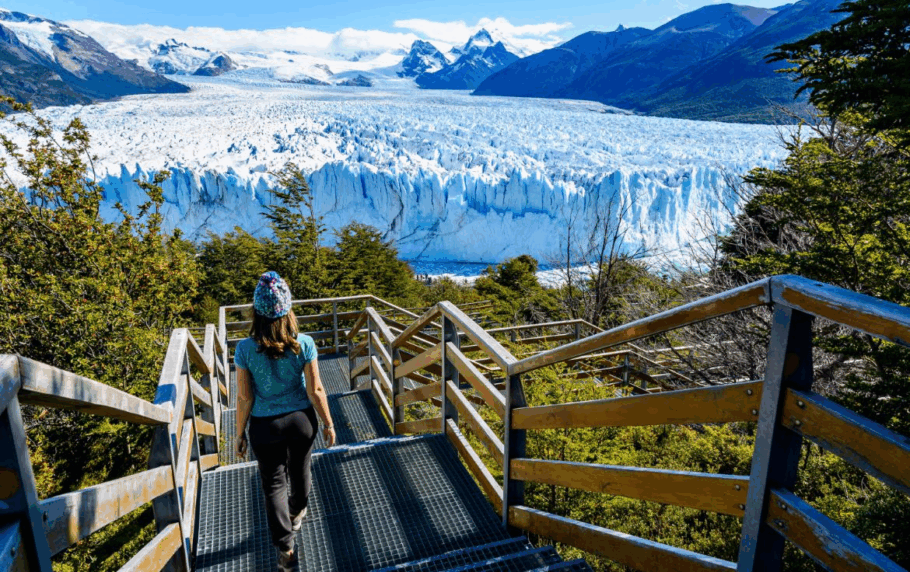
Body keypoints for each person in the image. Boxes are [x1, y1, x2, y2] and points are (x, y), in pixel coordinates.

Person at [234, 271, 336, 572]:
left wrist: (239, 433)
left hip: (265, 426)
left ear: (257, 311)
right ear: (287, 309)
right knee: (301, 469)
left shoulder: (244, 349)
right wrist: (328, 423)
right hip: (301, 420)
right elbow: (316, 389)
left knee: (273, 485)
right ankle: (297, 511)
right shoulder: (304, 344)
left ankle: (286, 548)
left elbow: (244, 398)